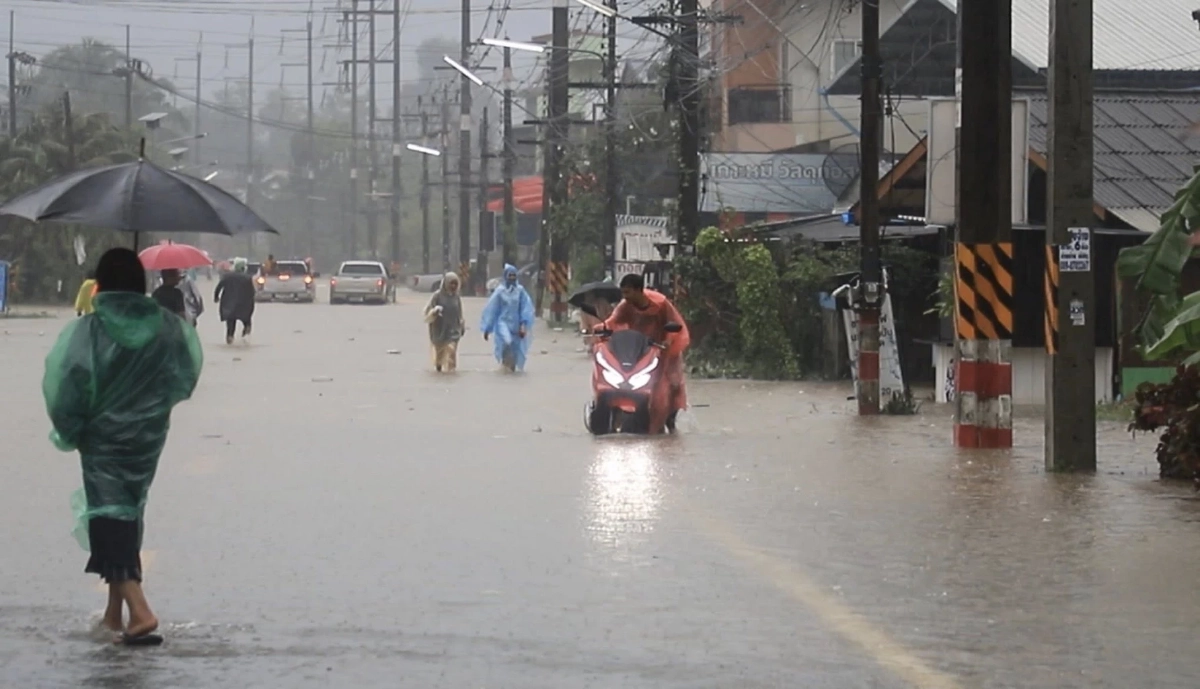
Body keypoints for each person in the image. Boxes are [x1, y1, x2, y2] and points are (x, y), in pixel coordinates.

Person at [42, 247, 202, 645]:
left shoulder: (90, 330)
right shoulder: (166, 327)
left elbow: (66, 386)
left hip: (102, 437)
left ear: (101, 283)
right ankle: (116, 613)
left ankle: (141, 610)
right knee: (128, 511)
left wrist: (71, 428)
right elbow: (184, 374)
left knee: (108, 516)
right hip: (147, 437)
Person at [601, 273, 691, 433]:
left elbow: (674, 324)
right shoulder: (625, 306)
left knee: (672, 385)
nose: (625, 297)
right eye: (623, 293)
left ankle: (670, 422)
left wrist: (668, 340)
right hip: (639, 350)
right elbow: (613, 321)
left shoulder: (660, 303)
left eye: (628, 292)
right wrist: (601, 329)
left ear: (638, 290)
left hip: (664, 350)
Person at [480, 263, 535, 373]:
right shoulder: (500, 291)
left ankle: (509, 368)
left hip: (516, 324)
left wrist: (523, 324)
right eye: (509, 276)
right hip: (503, 323)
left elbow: (526, 308)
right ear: (505, 276)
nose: (511, 278)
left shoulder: (520, 291)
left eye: (513, 276)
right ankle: (504, 364)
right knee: (507, 341)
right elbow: (492, 310)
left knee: (515, 347)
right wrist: (487, 328)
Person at [424, 272, 465, 373]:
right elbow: (427, 311)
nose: (453, 286)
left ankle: (451, 371)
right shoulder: (437, 296)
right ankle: (439, 366)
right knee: (440, 352)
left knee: (451, 349)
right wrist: (435, 312)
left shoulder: (456, 297)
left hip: (453, 329)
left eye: (455, 284)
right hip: (439, 328)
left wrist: (462, 325)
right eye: (451, 283)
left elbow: (459, 313)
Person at [214, 258, 257, 345]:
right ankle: (245, 338)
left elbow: (219, 287)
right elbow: (252, 292)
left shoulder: (227, 276)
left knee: (230, 325)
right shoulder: (247, 278)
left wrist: (216, 297)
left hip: (229, 305)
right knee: (247, 323)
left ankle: (230, 340)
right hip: (244, 305)